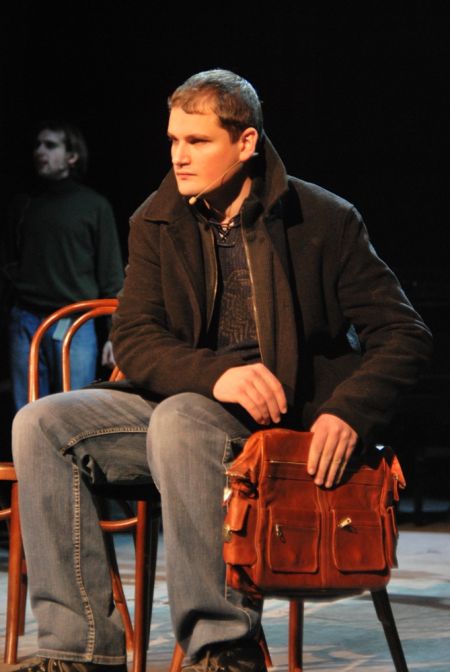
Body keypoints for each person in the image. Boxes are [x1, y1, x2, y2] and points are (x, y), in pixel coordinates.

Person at [12, 70, 432, 672]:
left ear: (246, 142)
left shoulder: (322, 219)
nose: (179, 156)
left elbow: (404, 333)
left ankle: (222, 647)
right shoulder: (157, 219)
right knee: (41, 423)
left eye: (198, 141)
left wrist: (348, 411)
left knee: (182, 420)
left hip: (279, 419)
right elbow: (135, 336)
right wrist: (216, 376)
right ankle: (78, 648)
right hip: (189, 403)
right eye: (173, 140)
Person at [2, 121, 124, 410]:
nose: (40, 151)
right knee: (28, 410)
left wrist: (115, 335)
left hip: (75, 319)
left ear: (72, 156)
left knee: (76, 410)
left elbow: (111, 274)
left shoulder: (94, 206)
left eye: (50, 145)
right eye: (37, 145)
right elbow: (8, 259)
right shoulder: (25, 204)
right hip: (27, 318)